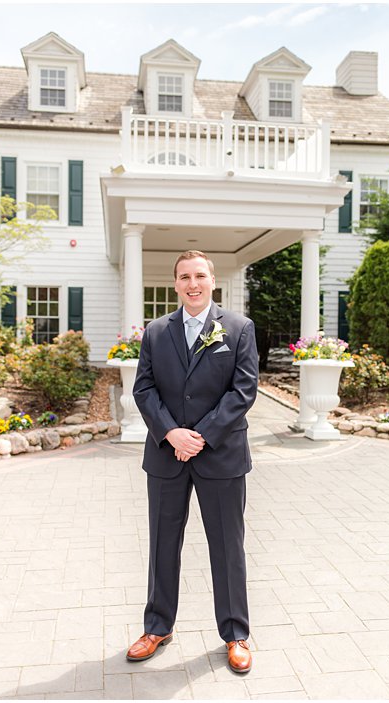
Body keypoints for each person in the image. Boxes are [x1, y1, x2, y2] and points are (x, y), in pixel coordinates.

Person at [128, 250, 259, 675]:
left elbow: (243, 391)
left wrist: (200, 436)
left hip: (220, 455)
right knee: (163, 544)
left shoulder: (238, 328)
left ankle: (236, 634)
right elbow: (144, 389)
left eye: (199, 275)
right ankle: (157, 627)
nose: (192, 283)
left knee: (227, 547)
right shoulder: (155, 331)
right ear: (176, 283)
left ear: (212, 280)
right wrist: (170, 433)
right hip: (167, 455)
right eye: (184, 277)